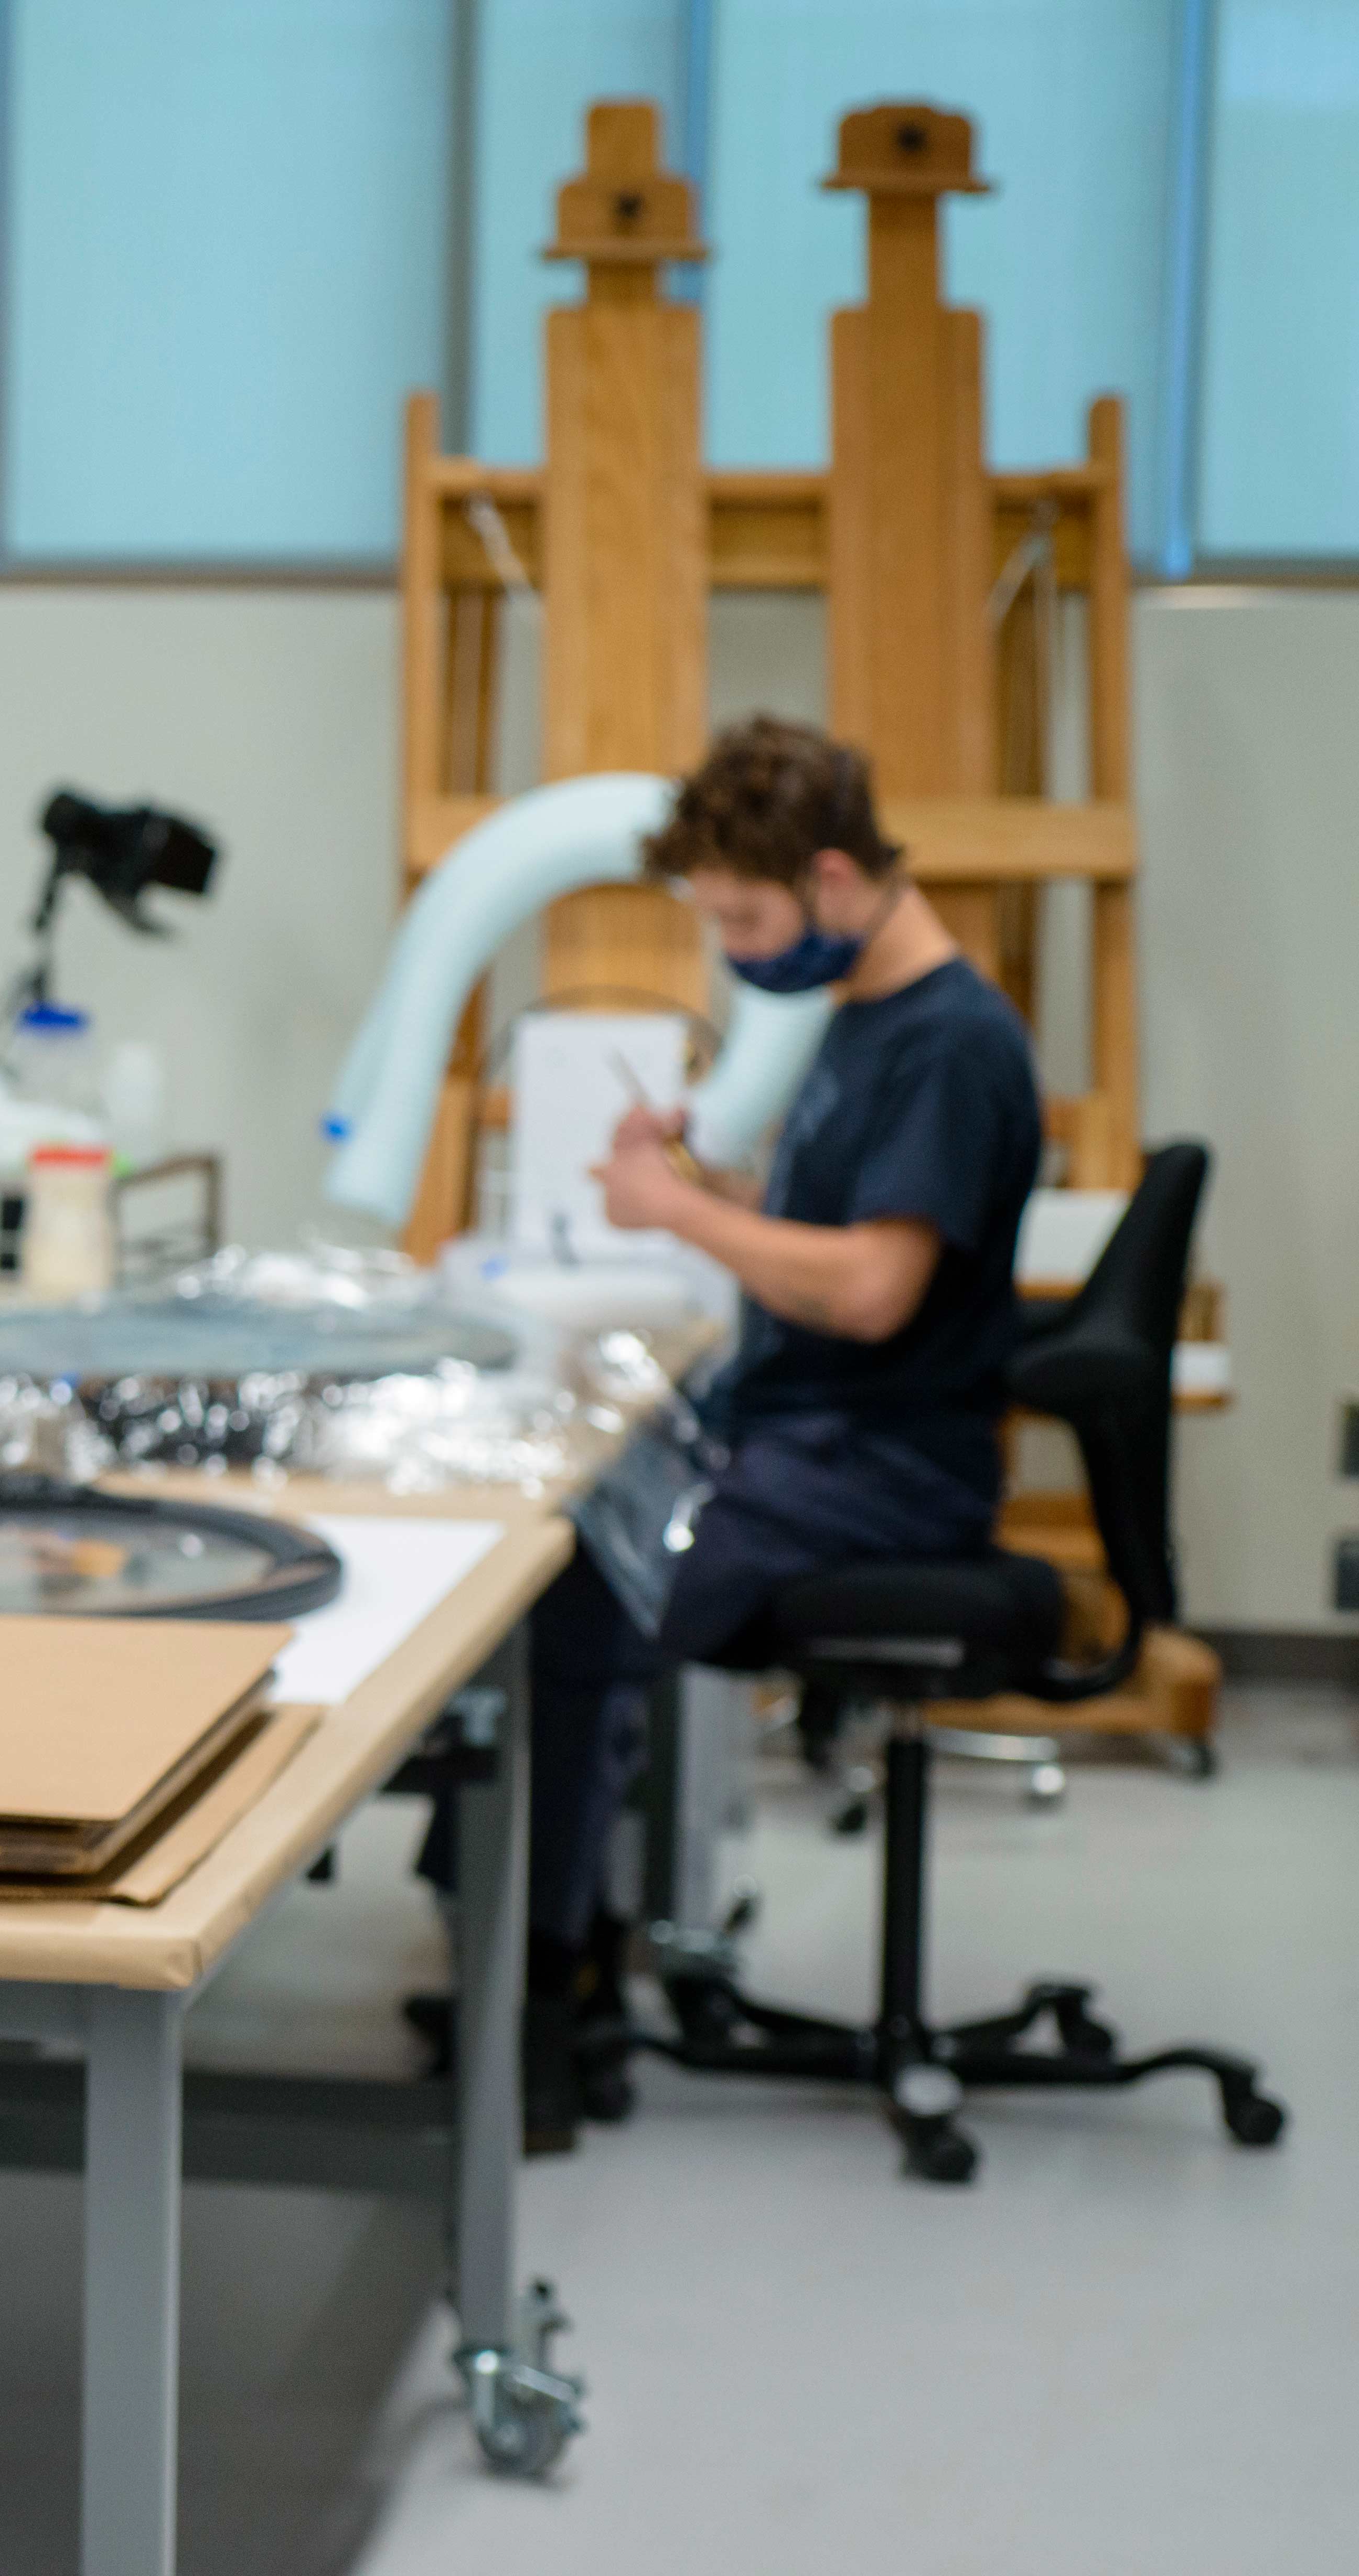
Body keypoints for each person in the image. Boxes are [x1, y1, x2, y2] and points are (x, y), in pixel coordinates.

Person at [437, 715, 1043, 2144]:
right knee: (560, 1522)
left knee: (576, 1605)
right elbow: (833, 1239)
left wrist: (677, 1210)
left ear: (835, 880)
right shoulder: (869, 1021)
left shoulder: (952, 1044)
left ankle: (539, 2003)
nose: (738, 949)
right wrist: (710, 1174)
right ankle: (551, 1937)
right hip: (807, 1440)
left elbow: (877, 1290)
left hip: (882, 1475)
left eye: (748, 919)